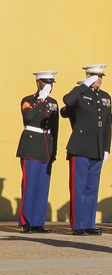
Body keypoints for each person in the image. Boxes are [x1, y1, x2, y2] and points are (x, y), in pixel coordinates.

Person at [63, 64, 112, 236]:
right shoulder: (79, 93)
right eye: (95, 75)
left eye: (101, 76)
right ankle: (78, 225)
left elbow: (107, 124)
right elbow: (67, 101)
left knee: (92, 187)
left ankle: (89, 223)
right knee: (79, 187)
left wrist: (106, 147)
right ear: (87, 75)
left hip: (97, 147)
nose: (99, 79)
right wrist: (84, 84)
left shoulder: (106, 97)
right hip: (80, 146)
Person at [17, 70, 60, 234]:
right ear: (38, 82)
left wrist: (53, 151)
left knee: (43, 187)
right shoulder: (28, 100)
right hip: (31, 146)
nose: (49, 86)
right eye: (46, 82)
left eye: (51, 83)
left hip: (46, 147)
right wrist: (41, 99)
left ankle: (38, 222)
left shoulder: (54, 103)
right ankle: (26, 222)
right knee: (30, 185)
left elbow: (55, 128)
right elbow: (28, 116)